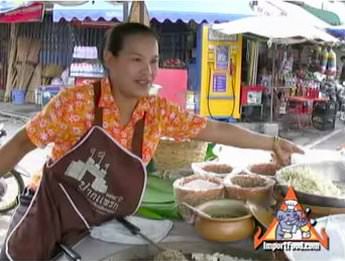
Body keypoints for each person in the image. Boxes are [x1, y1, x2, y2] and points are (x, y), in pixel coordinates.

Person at [0, 23, 303, 259]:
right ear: (110, 59)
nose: (147, 71)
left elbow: (214, 130)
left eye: (154, 61)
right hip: (46, 213)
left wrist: (272, 143)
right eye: (136, 60)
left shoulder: (156, 112)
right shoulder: (75, 104)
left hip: (101, 223)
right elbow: (18, 146)